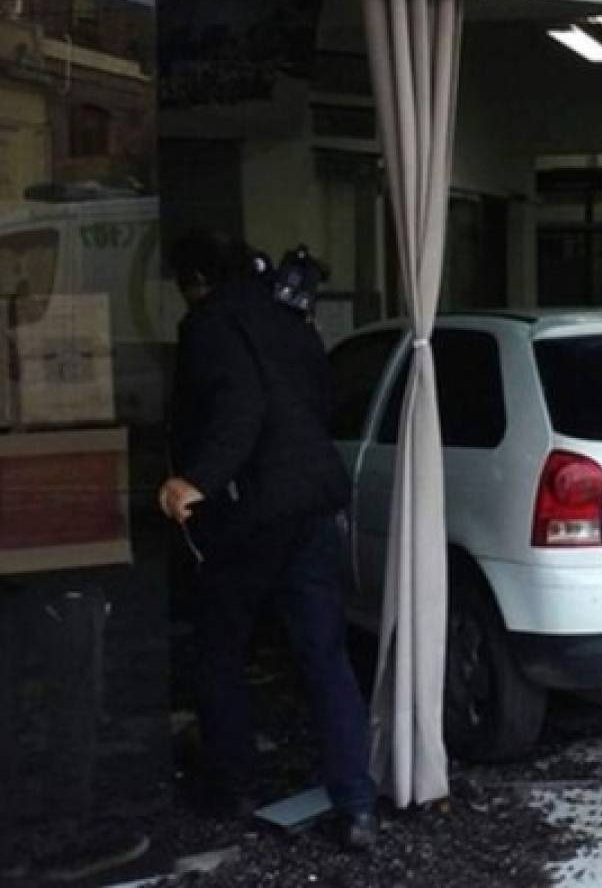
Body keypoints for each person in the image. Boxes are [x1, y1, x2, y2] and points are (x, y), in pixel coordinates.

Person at [160, 229, 377, 848]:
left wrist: (194, 480)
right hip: (314, 500)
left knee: (219, 644)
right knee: (324, 653)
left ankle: (234, 782)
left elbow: (241, 408)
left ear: (198, 281)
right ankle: (357, 803)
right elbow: (317, 399)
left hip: (253, 509)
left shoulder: (209, 325)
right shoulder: (293, 321)